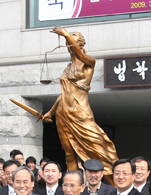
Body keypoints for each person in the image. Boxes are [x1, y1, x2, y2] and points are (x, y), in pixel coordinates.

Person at [39, 27, 118, 175]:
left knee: (99, 150)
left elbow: (80, 55)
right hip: (63, 112)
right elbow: (64, 94)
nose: (70, 47)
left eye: (72, 43)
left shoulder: (89, 62)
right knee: (69, 153)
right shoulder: (68, 68)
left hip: (80, 113)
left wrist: (66, 34)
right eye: (68, 44)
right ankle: (73, 182)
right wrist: (50, 112)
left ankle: (115, 181)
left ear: (80, 45)